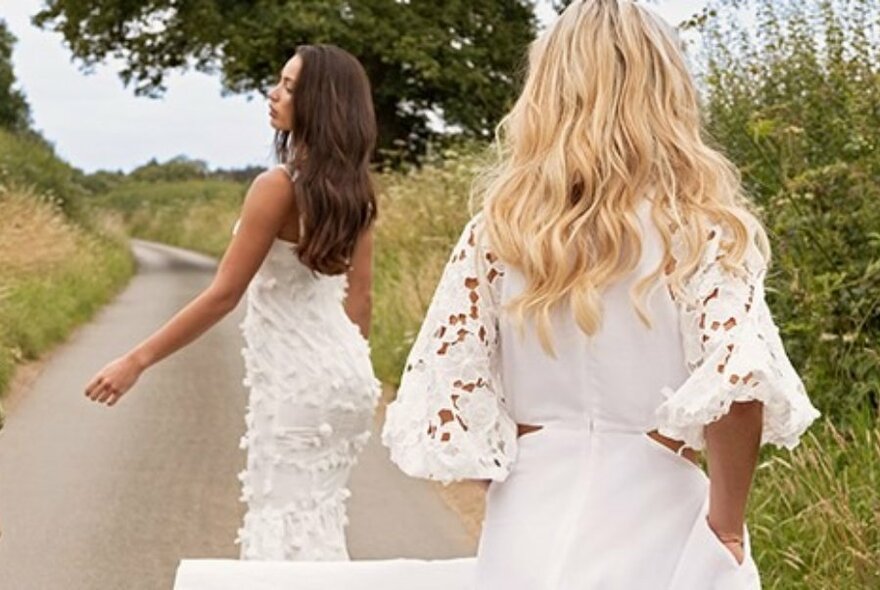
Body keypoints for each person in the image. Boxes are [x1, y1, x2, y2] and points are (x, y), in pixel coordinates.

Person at [381, 0, 821, 588]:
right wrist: (726, 528)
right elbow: (740, 386)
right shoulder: (702, 232)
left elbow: (453, 383)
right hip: (659, 513)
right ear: (666, 92)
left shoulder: (500, 233)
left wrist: (524, 476)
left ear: (547, 92)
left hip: (528, 515)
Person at [85, 44, 382, 561]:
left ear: (319, 102)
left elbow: (224, 294)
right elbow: (361, 299)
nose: (274, 93)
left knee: (280, 529)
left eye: (290, 87)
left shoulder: (277, 186)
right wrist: (350, 374)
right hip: (348, 381)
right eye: (280, 82)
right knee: (317, 526)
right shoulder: (356, 191)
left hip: (297, 383)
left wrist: (136, 359)